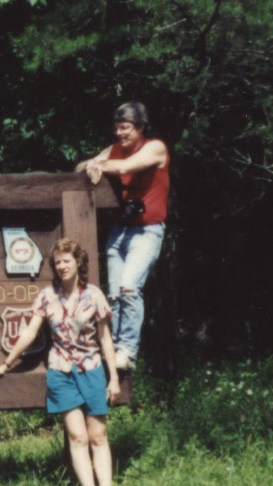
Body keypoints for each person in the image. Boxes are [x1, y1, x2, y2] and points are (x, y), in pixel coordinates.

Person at [0, 239, 120, 486]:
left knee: (98, 436)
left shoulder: (94, 295)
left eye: (67, 260)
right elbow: (30, 332)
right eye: (58, 262)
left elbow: (105, 339)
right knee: (77, 436)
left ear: (78, 262)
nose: (62, 266)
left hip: (91, 368)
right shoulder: (46, 296)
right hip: (61, 371)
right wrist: (5, 364)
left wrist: (113, 377)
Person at [76, 101, 169, 369]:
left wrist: (102, 164)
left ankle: (127, 351)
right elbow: (82, 166)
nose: (120, 134)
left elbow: (127, 167)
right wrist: (93, 163)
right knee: (114, 294)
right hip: (120, 231)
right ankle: (114, 350)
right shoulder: (115, 150)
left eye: (126, 128)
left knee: (129, 287)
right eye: (117, 128)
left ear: (140, 127)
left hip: (147, 231)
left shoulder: (155, 147)